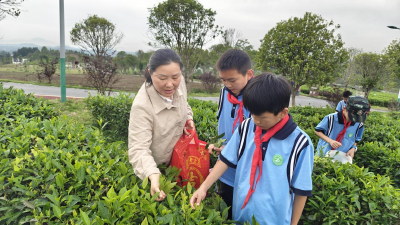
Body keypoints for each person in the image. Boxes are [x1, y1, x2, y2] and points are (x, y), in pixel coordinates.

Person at [191, 73, 314, 224]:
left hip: (274, 220)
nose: (256, 121)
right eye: (253, 115)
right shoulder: (246, 127)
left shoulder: (300, 143)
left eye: (262, 118)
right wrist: (203, 187)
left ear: (283, 113)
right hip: (241, 216)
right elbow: (225, 160)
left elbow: (301, 190)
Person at [128, 49, 194, 201]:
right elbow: (138, 149)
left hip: (181, 160)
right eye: (162, 78)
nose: (170, 84)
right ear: (150, 72)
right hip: (160, 169)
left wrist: (188, 118)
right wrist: (152, 174)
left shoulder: (180, 82)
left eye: (175, 77)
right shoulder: (142, 106)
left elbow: (184, 102)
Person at [208, 49, 253, 219]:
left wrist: (234, 148)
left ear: (249, 74)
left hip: (247, 171)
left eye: (232, 80)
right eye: (223, 80)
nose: (227, 84)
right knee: (225, 212)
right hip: (224, 168)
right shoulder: (224, 93)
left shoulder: (260, 98)